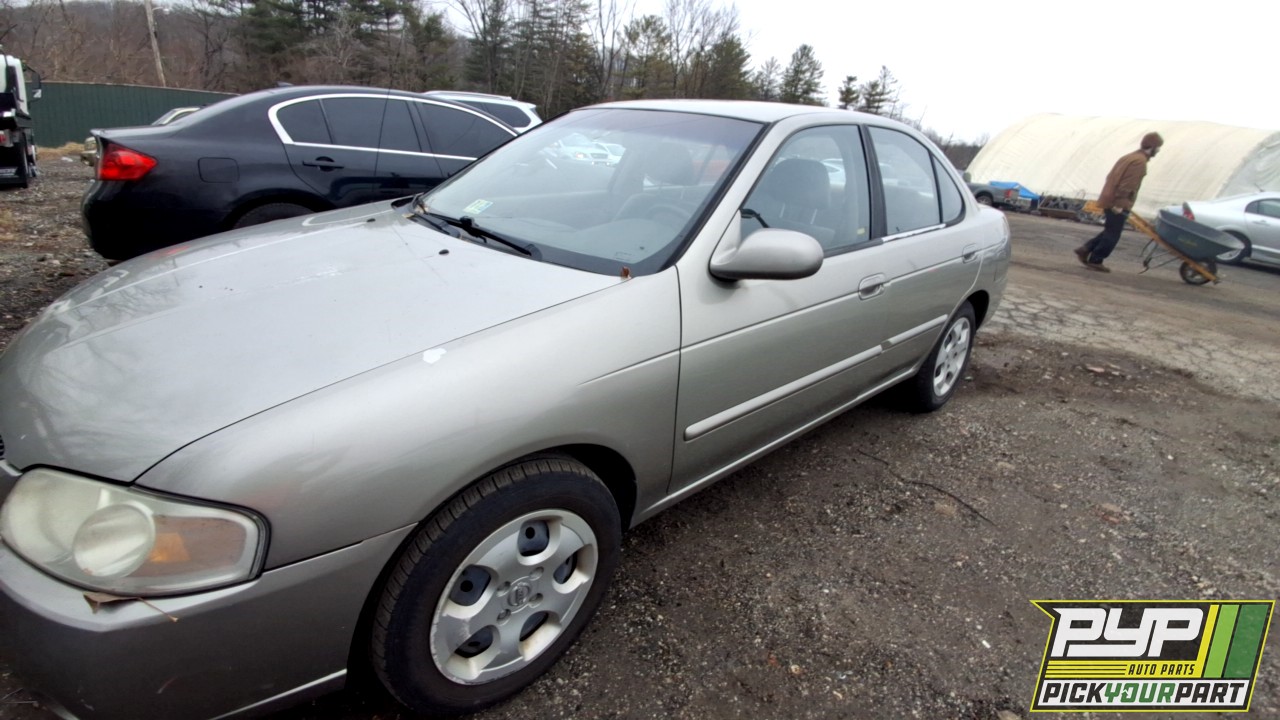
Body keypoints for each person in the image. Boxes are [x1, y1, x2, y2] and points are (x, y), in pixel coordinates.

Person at [1074, 132, 1164, 272]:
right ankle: (1096, 259)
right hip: (1117, 202)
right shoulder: (1139, 162)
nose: (1158, 151)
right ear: (1152, 147)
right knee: (1113, 234)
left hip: (1110, 198)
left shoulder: (1129, 157)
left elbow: (1111, 176)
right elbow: (1127, 185)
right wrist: (1119, 204)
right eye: (1158, 148)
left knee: (1110, 230)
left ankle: (1086, 249)